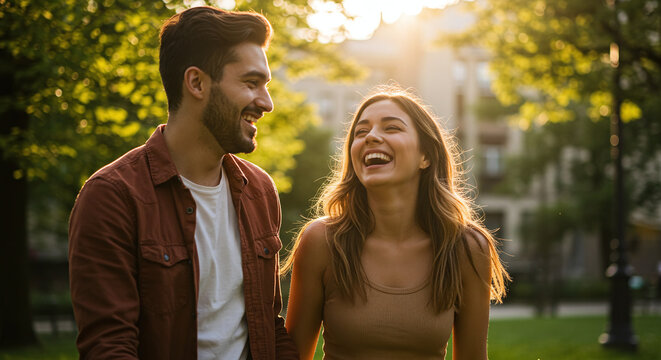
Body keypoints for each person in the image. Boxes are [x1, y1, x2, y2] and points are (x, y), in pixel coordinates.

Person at [68, 6, 298, 359]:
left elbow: (268, 323)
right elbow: (109, 347)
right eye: (251, 83)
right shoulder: (112, 196)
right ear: (196, 83)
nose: (266, 103)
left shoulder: (259, 191)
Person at [283, 87, 509, 359]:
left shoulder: (467, 247)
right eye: (361, 132)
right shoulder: (321, 240)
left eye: (391, 128)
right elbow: (293, 355)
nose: (371, 137)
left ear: (425, 156)